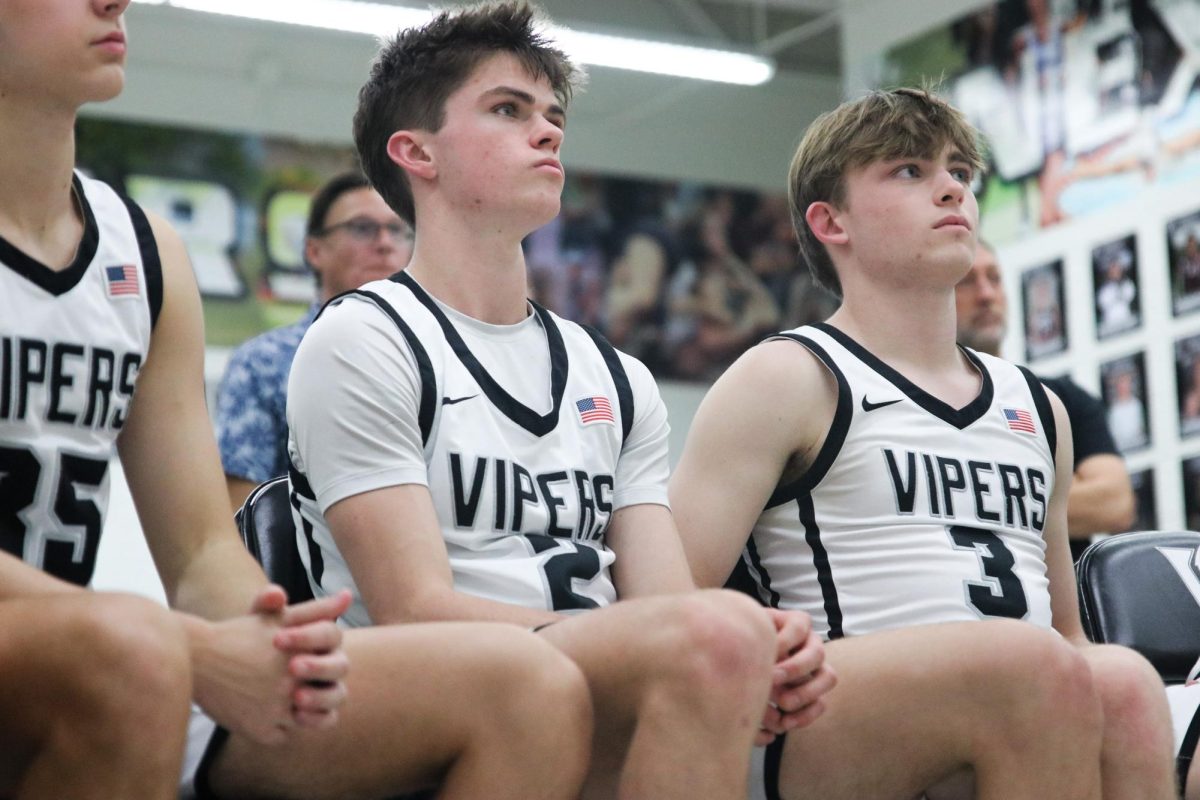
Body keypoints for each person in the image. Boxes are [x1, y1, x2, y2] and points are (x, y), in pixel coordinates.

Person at [0, 2, 593, 798]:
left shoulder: (146, 251)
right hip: (112, 651)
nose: (114, 1)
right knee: (133, 652)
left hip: (94, 654)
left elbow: (205, 552)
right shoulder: (344, 346)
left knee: (524, 680)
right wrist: (182, 645)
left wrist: (272, 639)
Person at [286, 3, 832, 797]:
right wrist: (680, 641)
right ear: (416, 152)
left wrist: (749, 653)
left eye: (553, 116)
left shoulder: (615, 377)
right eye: (509, 110)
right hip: (420, 696)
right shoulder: (362, 340)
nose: (548, 133)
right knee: (711, 638)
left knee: (733, 639)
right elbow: (414, 611)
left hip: (593, 681)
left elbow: (665, 603)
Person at [670, 87, 1181, 799]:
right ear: (831, 222)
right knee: (1024, 668)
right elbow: (667, 601)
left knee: (1122, 680)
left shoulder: (1038, 407)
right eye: (910, 171)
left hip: (1029, 689)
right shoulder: (786, 376)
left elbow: (1067, 632)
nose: (950, 189)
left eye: (961, 172)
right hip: (831, 713)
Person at [216, 172, 413, 511]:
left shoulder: (440, 358)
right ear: (314, 250)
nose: (385, 242)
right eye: (363, 228)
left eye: (398, 229)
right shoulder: (264, 362)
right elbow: (243, 515)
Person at [956, 239, 1134, 560]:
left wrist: (975, 493)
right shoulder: (921, 408)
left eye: (994, 278)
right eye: (966, 282)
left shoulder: (1061, 399)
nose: (986, 295)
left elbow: (1115, 504)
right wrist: (1053, 486)